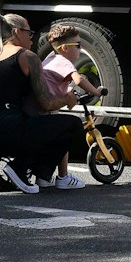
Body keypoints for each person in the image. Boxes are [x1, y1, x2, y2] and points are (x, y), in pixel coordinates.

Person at [0, 12, 77, 194]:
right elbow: (46, 103)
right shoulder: (26, 56)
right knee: (71, 125)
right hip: (7, 129)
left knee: (2, 113)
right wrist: (68, 98)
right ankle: (23, 169)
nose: (32, 39)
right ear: (17, 32)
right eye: (29, 32)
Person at [39, 24, 105, 189]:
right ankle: (63, 177)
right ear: (65, 49)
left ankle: (43, 177)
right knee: (63, 138)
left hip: (40, 105)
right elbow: (79, 80)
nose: (81, 49)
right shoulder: (64, 62)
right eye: (78, 45)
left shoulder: (50, 59)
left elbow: (60, 84)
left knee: (49, 143)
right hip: (49, 107)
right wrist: (96, 92)